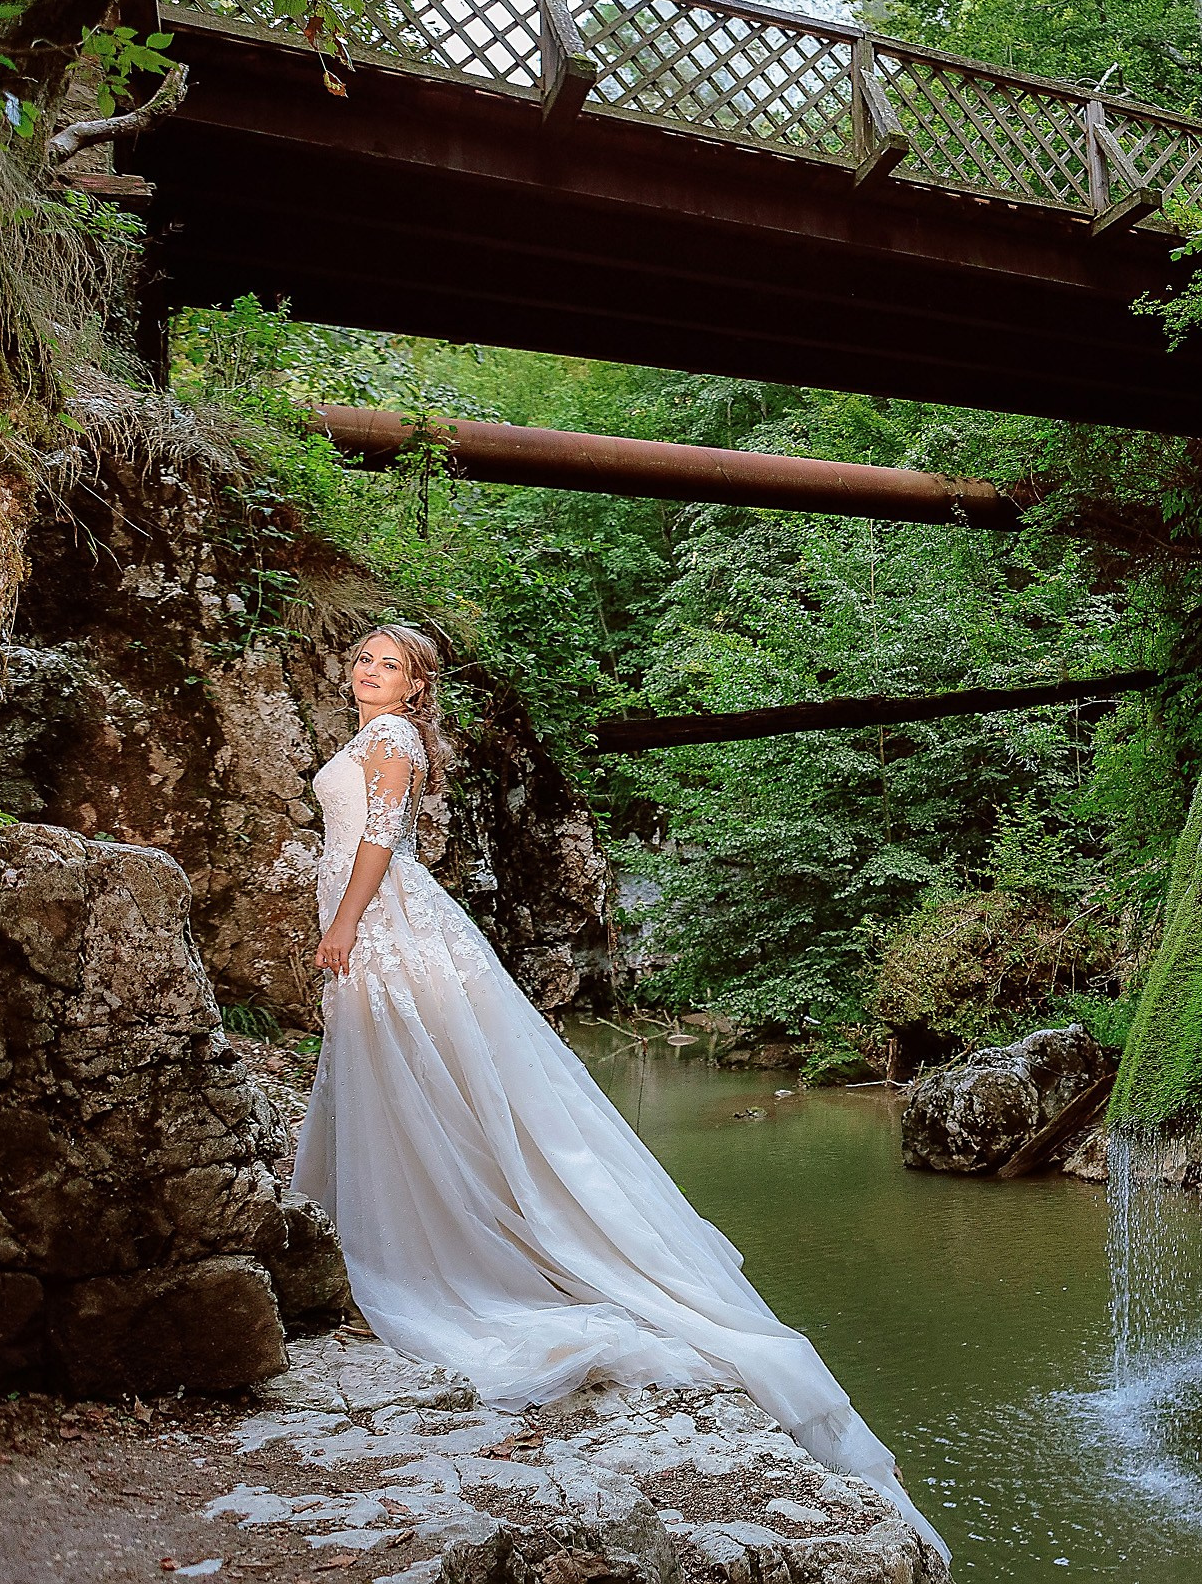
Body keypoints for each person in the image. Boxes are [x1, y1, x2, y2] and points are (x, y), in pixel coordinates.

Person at [295, 624, 945, 1559]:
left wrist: (346, 924)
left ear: (415, 684)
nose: (368, 671)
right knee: (390, 1078)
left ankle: (425, 1243)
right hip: (376, 920)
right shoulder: (370, 738)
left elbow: (379, 843)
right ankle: (372, 1225)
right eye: (361, 658)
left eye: (387, 663)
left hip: (385, 918)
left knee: (417, 1080)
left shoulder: (392, 740)